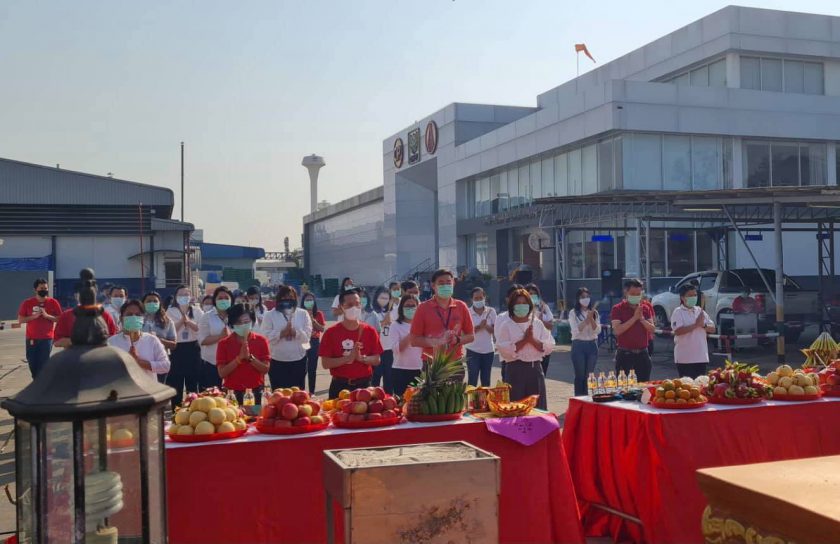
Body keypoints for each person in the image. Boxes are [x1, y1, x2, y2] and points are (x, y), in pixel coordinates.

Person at [495, 288, 554, 410]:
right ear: (512, 306)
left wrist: (532, 340)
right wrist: (524, 340)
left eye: (524, 303)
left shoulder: (537, 323)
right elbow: (504, 350)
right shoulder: (506, 325)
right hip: (515, 370)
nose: (521, 306)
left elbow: (549, 346)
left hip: (535, 369)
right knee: (516, 408)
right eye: (518, 303)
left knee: (538, 408)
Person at [319, 289, 383, 399]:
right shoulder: (331, 333)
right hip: (340, 386)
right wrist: (348, 358)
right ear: (341, 307)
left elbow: (377, 360)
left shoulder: (370, 331)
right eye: (349, 305)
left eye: (357, 304)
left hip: (364, 386)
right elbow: (325, 363)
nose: (354, 308)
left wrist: (361, 358)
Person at [410, 268, 475, 361]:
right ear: (433, 285)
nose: (445, 286)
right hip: (431, 362)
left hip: (455, 362)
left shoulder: (461, 306)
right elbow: (414, 340)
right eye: (441, 283)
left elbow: (471, 336)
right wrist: (437, 341)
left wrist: (457, 340)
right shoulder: (423, 308)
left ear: (453, 283)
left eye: (448, 282)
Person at [217, 303, 270, 404]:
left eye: (246, 322)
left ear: (252, 322)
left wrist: (250, 358)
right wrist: (239, 358)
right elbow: (222, 373)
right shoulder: (224, 343)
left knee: (254, 414)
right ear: (232, 323)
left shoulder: (261, 341)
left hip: (255, 391)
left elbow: (265, 369)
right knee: (234, 414)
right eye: (238, 322)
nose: (242, 325)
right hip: (232, 393)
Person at [261, 286, 312, 390]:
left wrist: (295, 333)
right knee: (279, 394)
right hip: (277, 361)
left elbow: (307, 337)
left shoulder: (302, 314)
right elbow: (265, 338)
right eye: (284, 297)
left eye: (290, 297)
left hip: (298, 361)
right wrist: (282, 333)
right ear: (279, 298)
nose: (287, 300)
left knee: (297, 394)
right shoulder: (270, 315)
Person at [108, 299, 171, 381]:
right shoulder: (111, 342)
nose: (133, 317)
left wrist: (139, 362)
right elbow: (105, 369)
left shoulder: (152, 340)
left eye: (138, 315)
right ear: (121, 318)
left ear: (143, 318)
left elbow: (165, 366)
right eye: (129, 314)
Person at [610, 278, 656, 382]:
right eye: (632, 294)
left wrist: (642, 319)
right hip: (625, 354)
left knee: (644, 387)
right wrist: (634, 318)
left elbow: (652, 329)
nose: (635, 296)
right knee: (625, 387)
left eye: (638, 294)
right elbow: (617, 331)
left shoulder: (645, 308)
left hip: (643, 354)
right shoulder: (617, 308)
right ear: (625, 292)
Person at [166, 285, 204, 407]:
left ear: (191, 296)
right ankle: (176, 410)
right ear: (176, 297)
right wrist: (182, 321)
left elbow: (201, 329)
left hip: (193, 348)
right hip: (177, 348)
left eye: (186, 294)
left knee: (192, 382)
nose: (184, 297)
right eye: (181, 295)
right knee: (176, 382)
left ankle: (193, 409)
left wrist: (189, 322)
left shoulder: (197, 311)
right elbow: (170, 331)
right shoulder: (170, 311)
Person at [17, 278, 62, 378]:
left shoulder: (53, 302)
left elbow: (59, 319)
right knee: (32, 363)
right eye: (41, 288)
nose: (44, 290)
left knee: (43, 363)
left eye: (45, 288)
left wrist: (47, 316)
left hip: (47, 339)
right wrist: (34, 316)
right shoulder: (27, 303)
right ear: (35, 290)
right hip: (31, 338)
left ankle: (41, 384)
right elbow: (20, 320)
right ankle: (37, 380)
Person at [671, 284, 716, 379]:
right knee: (687, 386)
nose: (693, 298)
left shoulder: (700, 311)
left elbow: (713, 329)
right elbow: (678, 331)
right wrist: (696, 325)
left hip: (701, 357)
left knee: (700, 385)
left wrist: (703, 325)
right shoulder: (678, 312)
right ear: (682, 297)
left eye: (695, 295)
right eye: (690, 295)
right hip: (685, 358)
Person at [54, 283, 118, 348]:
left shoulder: (104, 315)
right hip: (74, 354)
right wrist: (80, 342)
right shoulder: (66, 316)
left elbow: (113, 339)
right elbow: (57, 341)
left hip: (99, 353)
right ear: (76, 296)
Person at [197, 286, 233, 389]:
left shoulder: (235, 316)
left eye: (226, 298)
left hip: (232, 363)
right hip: (211, 363)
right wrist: (220, 337)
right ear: (215, 300)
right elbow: (202, 340)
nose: (223, 301)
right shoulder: (207, 316)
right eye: (220, 298)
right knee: (212, 394)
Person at [568, 287, 600, 396]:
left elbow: (597, 330)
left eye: (587, 297)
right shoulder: (573, 313)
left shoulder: (594, 312)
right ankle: (579, 398)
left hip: (592, 345)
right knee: (580, 376)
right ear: (578, 299)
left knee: (589, 376)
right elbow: (575, 331)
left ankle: (588, 398)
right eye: (582, 297)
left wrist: (591, 319)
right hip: (579, 345)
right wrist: (586, 320)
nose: (585, 299)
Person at [390, 295, 423, 397]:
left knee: (417, 402)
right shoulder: (395, 325)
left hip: (419, 369)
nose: (410, 308)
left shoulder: (423, 325)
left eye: (413, 306)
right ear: (401, 308)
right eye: (407, 306)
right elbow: (397, 349)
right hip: (400, 370)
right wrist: (411, 334)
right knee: (401, 401)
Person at [464, 287, 496, 387]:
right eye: (476, 298)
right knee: (472, 380)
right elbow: (465, 333)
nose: (479, 300)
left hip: (488, 351)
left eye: (481, 298)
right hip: (472, 351)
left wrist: (486, 326)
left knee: (486, 381)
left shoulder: (491, 311)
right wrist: (479, 327)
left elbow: (496, 331)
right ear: (472, 299)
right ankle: (471, 398)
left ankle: (485, 398)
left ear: (485, 297)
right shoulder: (467, 312)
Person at [495, 283, 524, 383]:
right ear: (507, 299)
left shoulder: (533, 318)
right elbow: (500, 342)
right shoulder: (501, 318)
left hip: (528, 362)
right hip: (509, 361)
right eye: (514, 297)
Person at [526, 284, 555, 375]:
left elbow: (551, 326)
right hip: (529, 346)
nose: (532, 296)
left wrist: (541, 321)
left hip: (543, 346)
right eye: (530, 293)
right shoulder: (523, 308)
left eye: (534, 294)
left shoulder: (544, 307)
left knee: (541, 374)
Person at [301, 292, 326, 394]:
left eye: (311, 300)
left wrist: (313, 320)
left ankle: (312, 392)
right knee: (302, 368)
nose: (309, 302)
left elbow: (322, 329)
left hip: (314, 342)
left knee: (312, 368)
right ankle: (301, 391)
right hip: (303, 342)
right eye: (307, 300)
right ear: (303, 302)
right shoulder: (300, 313)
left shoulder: (318, 314)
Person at [371, 288, 394, 393]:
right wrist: (385, 321)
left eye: (386, 298)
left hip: (389, 349)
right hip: (377, 350)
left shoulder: (392, 312)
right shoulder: (372, 312)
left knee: (389, 378)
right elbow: (373, 328)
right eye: (381, 297)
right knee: (375, 377)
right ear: (376, 298)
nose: (384, 300)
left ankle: (388, 397)